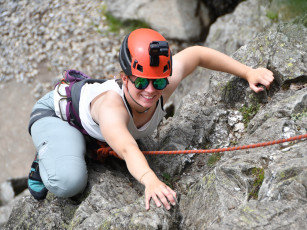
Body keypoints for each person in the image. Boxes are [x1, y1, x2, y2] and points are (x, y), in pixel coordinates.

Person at [27, 28, 274, 210]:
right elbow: (127, 148)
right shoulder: (112, 109)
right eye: (142, 82)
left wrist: (248, 72)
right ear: (125, 78)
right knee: (69, 182)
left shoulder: (160, 85)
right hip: (57, 116)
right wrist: (151, 181)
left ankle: (82, 145)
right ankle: (46, 156)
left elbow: (197, 55)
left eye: (158, 81)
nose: (150, 90)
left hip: (92, 121)